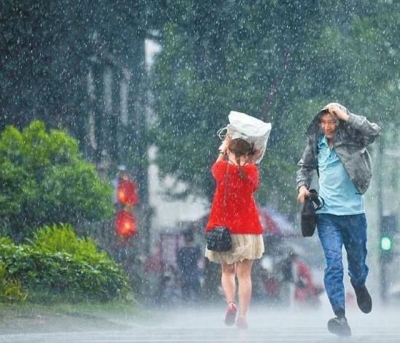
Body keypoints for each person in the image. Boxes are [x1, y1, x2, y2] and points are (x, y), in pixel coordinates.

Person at [296, 103, 381, 337]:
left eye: (332, 122)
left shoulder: (353, 136)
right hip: (327, 215)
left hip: (354, 213)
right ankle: (340, 316)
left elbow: (374, 131)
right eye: (323, 123)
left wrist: (347, 116)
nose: (327, 127)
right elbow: (304, 168)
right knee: (333, 263)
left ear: (339, 122)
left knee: (357, 262)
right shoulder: (316, 142)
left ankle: (359, 283)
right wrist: (302, 186)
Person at [205, 137, 265, 329]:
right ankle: (243, 317)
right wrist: (249, 160)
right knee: (245, 275)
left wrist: (223, 149)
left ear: (230, 152)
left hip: (224, 230)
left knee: (227, 271)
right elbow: (253, 184)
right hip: (247, 228)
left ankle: (231, 303)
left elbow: (215, 167)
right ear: (247, 155)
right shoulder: (252, 171)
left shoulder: (222, 170)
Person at [176, 230, 202, 302]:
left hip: (185, 274)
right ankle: (196, 304)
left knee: (186, 293)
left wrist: (181, 270)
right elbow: (198, 258)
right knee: (197, 292)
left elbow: (179, 262)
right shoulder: (195, 249)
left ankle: (187, 305)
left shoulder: (182, 250)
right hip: (193, 274)